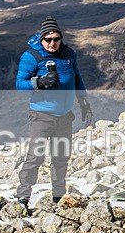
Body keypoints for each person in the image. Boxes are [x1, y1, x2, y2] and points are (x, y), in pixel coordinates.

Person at [15, 16, 92, 206]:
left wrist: (84, 103)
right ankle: (22, 197)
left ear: (61, 39)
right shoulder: (32, 56)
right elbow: (19, 84)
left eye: (56, 39)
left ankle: (58, 197)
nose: (52, 43)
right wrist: (39, 82)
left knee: (61, 157)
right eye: (48, 39)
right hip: (42, 115)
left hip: (65, 116)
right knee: (35, 157)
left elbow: (76, 78)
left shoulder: (68, 54)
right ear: (41, 39)